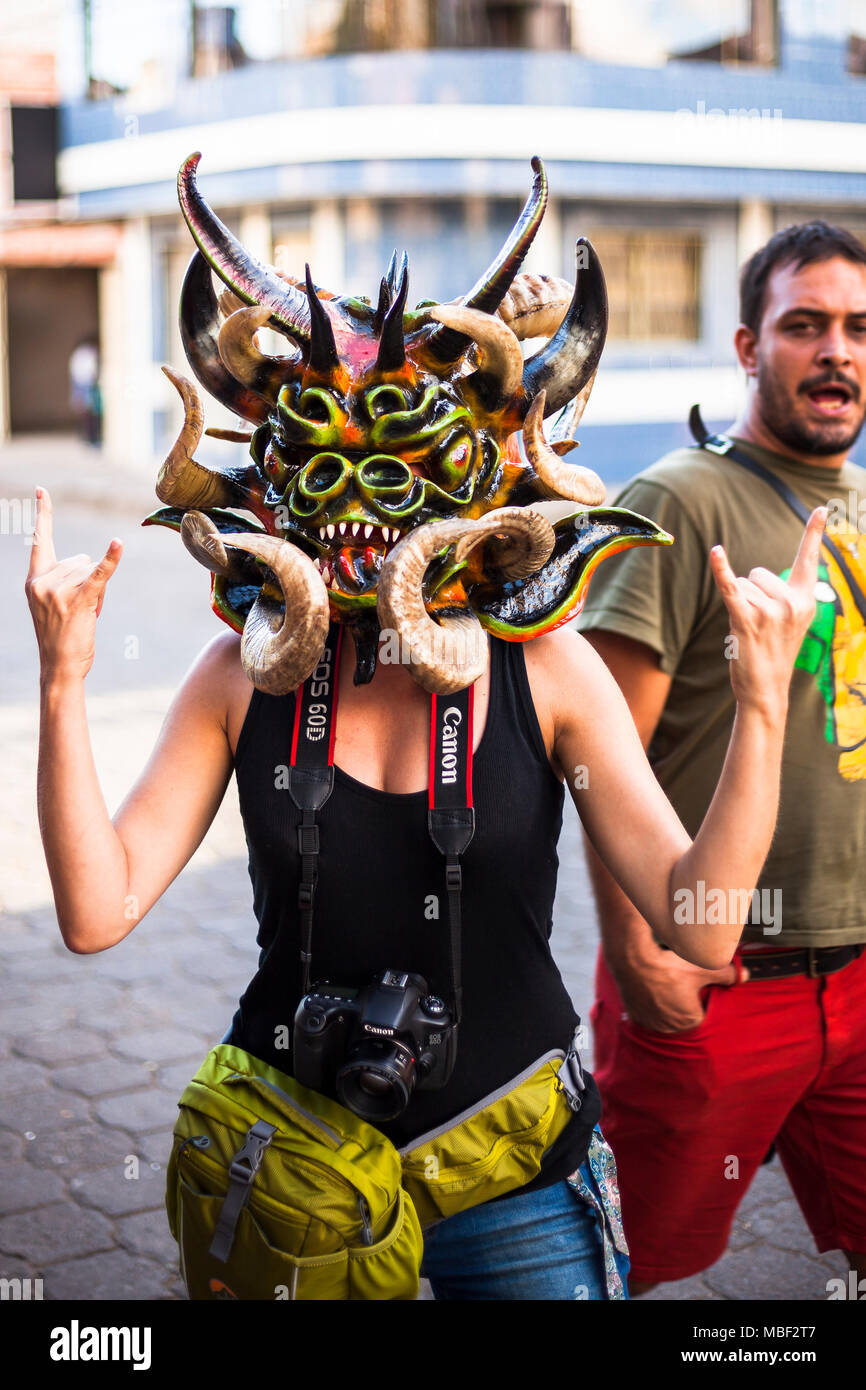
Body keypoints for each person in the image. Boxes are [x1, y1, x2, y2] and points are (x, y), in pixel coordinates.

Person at [26, 477, 822, 1299]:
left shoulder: (546, 668)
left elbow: (700, 926)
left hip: (515, 1161)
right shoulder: (239, 673)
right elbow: (95, 912)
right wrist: (62, 677)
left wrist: (761, 704)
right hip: (300, 1159)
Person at [576, 220, 866, 1293]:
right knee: (626, 1260)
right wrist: (642, 946)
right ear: (748, 348)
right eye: (803, 326)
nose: (834, 349)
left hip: (859, 972)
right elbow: (597, 747)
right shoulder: (675, 501)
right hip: (715, 979)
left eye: (856, 328)